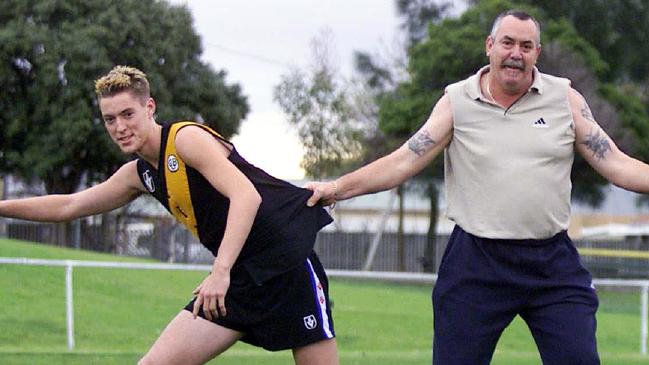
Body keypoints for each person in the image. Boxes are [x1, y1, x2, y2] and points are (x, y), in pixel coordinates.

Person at [306, 10, 649, 365]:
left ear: (537, 54)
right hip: (476, 263)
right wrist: (337, 187)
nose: (516, 53)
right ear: (490, 47)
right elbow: (403, 161)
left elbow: (617, 164)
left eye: (526, 46)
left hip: (551, 263)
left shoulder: (565, 99)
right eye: (508, 43)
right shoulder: (458, 101)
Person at [0, 65, 339, 365]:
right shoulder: (138, 174)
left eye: (127, 114)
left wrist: (220, 272)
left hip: (286, 265)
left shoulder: (186, 139)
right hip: (235, 278)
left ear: (150, 107)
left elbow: (245, 196)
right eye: (109, 119)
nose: (119, 126)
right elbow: (69, 206)